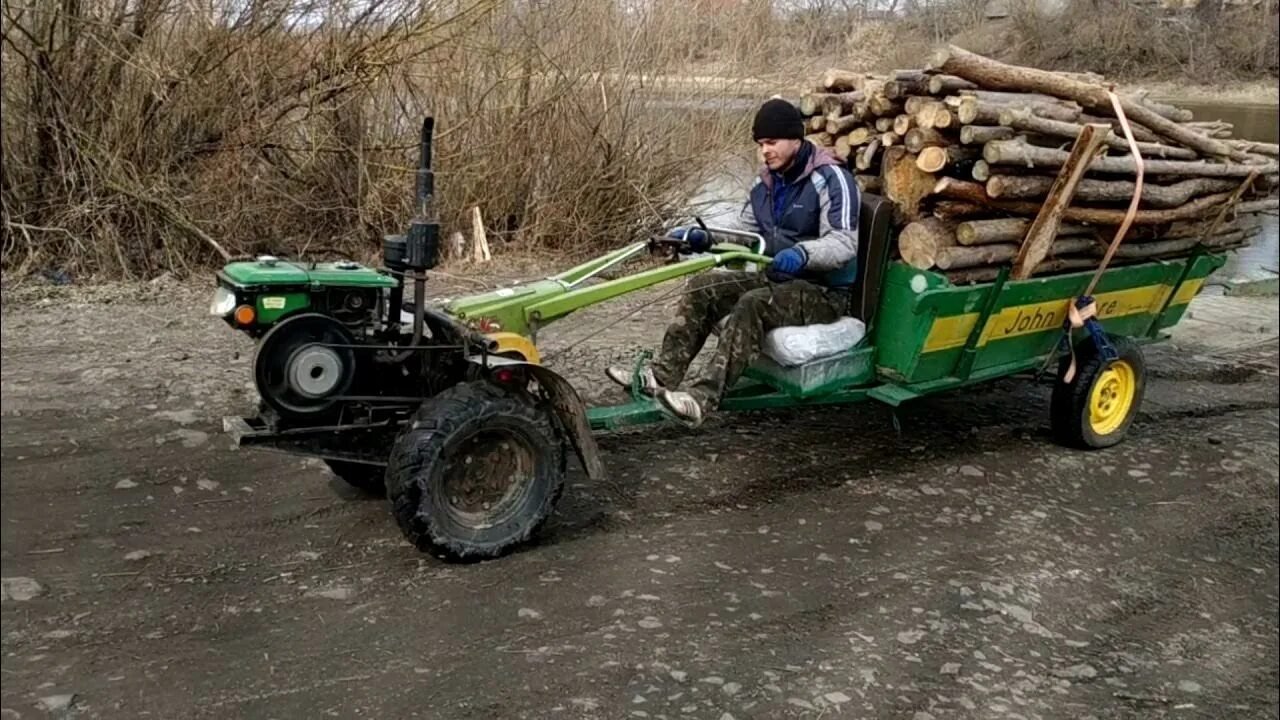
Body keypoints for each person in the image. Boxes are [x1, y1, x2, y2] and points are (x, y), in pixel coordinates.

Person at [606, 98, 860, 426]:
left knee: (753, 304)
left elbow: (844, 243)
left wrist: (803, 254)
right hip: (777, 278)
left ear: (795, 139)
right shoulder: (765, 183)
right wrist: (703, 237)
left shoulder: (831, 178)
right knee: (702, 287)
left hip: (823, 291)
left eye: (772, 142)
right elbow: (745, 235)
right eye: (760, 144)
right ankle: (660, 376)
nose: (765, 151)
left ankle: (702, 398)